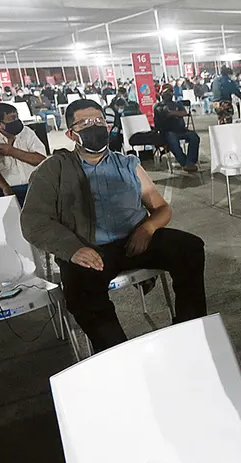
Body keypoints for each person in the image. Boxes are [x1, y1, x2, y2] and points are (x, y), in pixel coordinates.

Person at [21, 99, 207, 354]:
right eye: (85, 123)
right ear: (70, 133)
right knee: (83, 294)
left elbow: (162, 208)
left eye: (99, 121)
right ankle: (116, 354)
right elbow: (34, 220)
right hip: (89, 249)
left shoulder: (127, 163)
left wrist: (147, 229)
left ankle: (190, 330)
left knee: (190, 248)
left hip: (134, 241)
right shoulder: (54, 169)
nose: (94, 127)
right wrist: (73, 250)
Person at [0, 102, 47, 204]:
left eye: (17, 117)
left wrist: (12, 151)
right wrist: (5, 187)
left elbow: (40, 159)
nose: (17, 121)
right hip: (6, 191)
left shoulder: (26, 132)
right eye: (12, 118)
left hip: (34, 186)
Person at [153, 88, 200, 173]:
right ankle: (185, 163)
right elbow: (165, 115)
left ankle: (190, 162)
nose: (169, 94)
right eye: (166, 92)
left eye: (170, 92)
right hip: (167, 131)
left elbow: (184, 113)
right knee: (172, 139)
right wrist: (175, 113)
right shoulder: (158, 106)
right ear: (161, 94)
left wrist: (171, 113)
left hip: (181, 130)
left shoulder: (178, 104)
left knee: (194, 136)